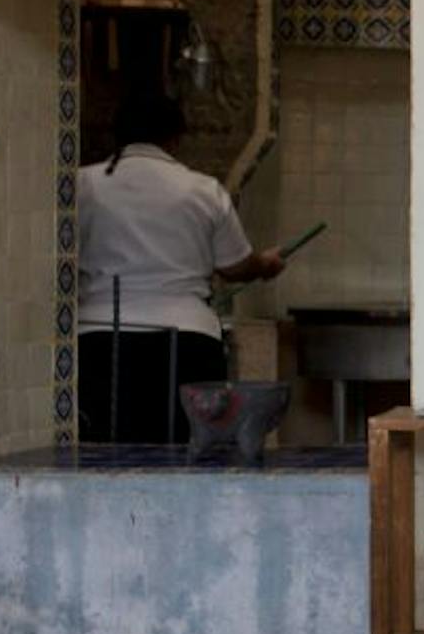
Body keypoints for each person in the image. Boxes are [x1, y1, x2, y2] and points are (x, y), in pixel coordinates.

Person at [78, 89, 284, 443]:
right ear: (176, 137)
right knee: (181, 451)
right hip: (187, 343)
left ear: (118, 134)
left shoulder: (82, 184)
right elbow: (235, 266)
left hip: (97, 338)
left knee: (97, 448)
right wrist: (264, 265)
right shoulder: (203, 191)